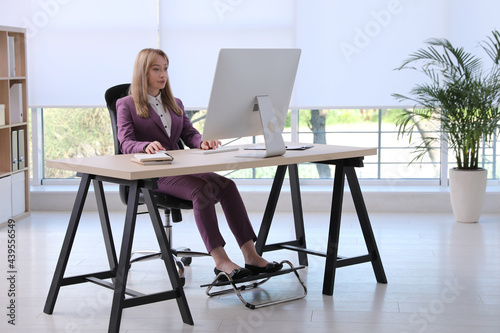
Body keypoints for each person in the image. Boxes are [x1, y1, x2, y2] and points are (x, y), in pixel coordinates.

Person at [116, 48, 282, 280]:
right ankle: (221, 260)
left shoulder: (175, 103)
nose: (163, 74)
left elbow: (189, 134)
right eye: (156, 69)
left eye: (165, 68)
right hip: (153, 173)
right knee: (201, 189)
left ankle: (251, 255)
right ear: (143, 72)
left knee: (227, 185)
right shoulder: (126, 104)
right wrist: (145, 146)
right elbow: (126, 143)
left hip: (181, 167)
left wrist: (202, 142)